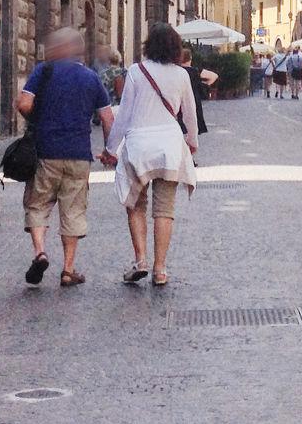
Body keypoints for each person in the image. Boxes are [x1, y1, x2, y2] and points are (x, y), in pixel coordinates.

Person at [16, 26, 114, 288]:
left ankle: (40, 253)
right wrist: (109, 150)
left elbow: (23, 104)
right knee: (73, 212)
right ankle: (68, 270)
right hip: (79, 154)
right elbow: (107, 117)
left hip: (46, 152)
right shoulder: (91, 77)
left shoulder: (43, 71)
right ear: (78, 51)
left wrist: (36, 120)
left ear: (56, 49)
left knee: (37, 205)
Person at [109, 21, 199, 287]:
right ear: (175, 48)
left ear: (149, 45)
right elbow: (189, 114)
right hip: (170, 145)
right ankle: (160, 269)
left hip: (139, 145)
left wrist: (110, 147)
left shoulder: (136, 72)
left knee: (136, 204)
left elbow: (124, 114)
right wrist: (191, 142)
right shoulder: (182, 75)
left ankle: (141, 261)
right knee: (165, 208)